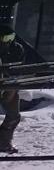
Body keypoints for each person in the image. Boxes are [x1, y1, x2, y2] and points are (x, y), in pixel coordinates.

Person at [0, 25, 25, 153]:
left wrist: (11, 86)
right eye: (3, 38)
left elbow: (19, 69)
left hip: (10, 84)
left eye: (9, 38)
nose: (6, 41)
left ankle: (3, 143)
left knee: (14, 116)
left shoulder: (17, 49)